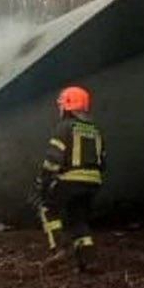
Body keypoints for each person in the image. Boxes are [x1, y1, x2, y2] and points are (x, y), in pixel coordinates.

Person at [36, 85, 106, 272]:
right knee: (78, 219)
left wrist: (43, 182)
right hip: (93, 183)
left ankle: (58, 249)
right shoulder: (95, 130)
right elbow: (103, 159)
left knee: (48, 209)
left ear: (67, 106)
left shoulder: (64, 128)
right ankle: (88, 261)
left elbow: (53, 159)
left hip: (70, 180)